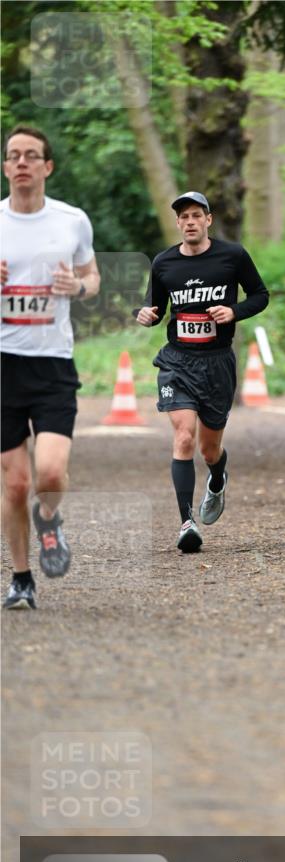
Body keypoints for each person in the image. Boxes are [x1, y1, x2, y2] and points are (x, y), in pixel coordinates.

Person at [135, 191, 269, 553]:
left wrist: (234, 312)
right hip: (177, 361)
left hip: (217, 363)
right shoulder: (164, 262)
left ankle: (218, 475)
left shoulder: (232, 255)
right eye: (184, 216)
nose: (190, 221)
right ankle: (186, 522)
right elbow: (154, 308)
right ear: (178, 223)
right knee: (184, 437)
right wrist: (145, 315)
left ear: (208, 220)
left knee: (209, 450)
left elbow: (260, 295)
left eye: (196, 215)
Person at [1, 126, 100, 610]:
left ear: (47, 166)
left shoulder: (72, 220)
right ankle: (22, 578)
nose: (21, 162)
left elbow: (92, 277)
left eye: (30, 155)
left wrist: (76, 287)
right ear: (5, 167)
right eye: (13, 155)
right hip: (3, 366)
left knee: (51, 474)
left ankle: (49, 518)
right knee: (15, 483)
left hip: (53, 364)